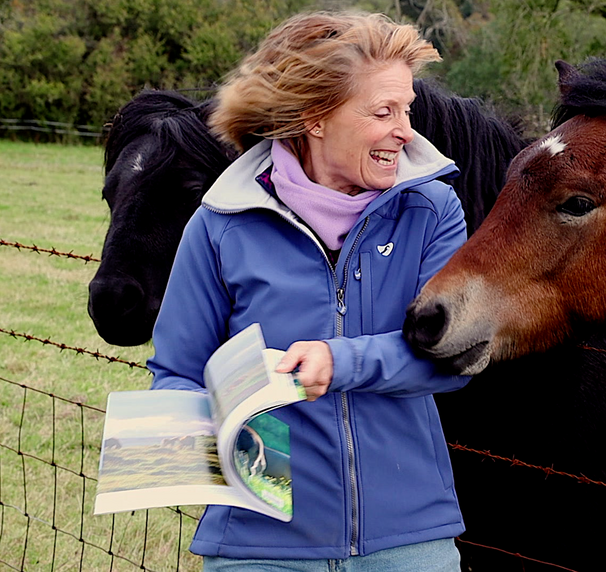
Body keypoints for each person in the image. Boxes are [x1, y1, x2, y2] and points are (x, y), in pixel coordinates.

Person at [147, 11, 470, 571]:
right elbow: (176, 370)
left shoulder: (432, 211)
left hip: (407, 542)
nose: (405, 131)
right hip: (259, 547)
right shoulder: (220, 224)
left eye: (406, 110)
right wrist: (201, 450)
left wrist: (336, 362)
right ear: (316, 118)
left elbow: (453, 358)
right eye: (382, 111)